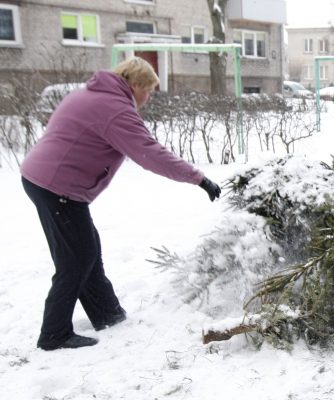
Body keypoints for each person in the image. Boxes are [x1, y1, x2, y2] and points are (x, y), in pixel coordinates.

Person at [20, 57, 222, 351]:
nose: (149, 97)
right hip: (57, 187)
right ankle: (54, 334)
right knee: (74, 260)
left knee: (85, 250)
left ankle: (107, 314)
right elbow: (150, 153)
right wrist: (199, 179)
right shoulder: (114, 109)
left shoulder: (89, 94)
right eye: (149, 90)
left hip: (48, 181)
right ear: (135, 84)